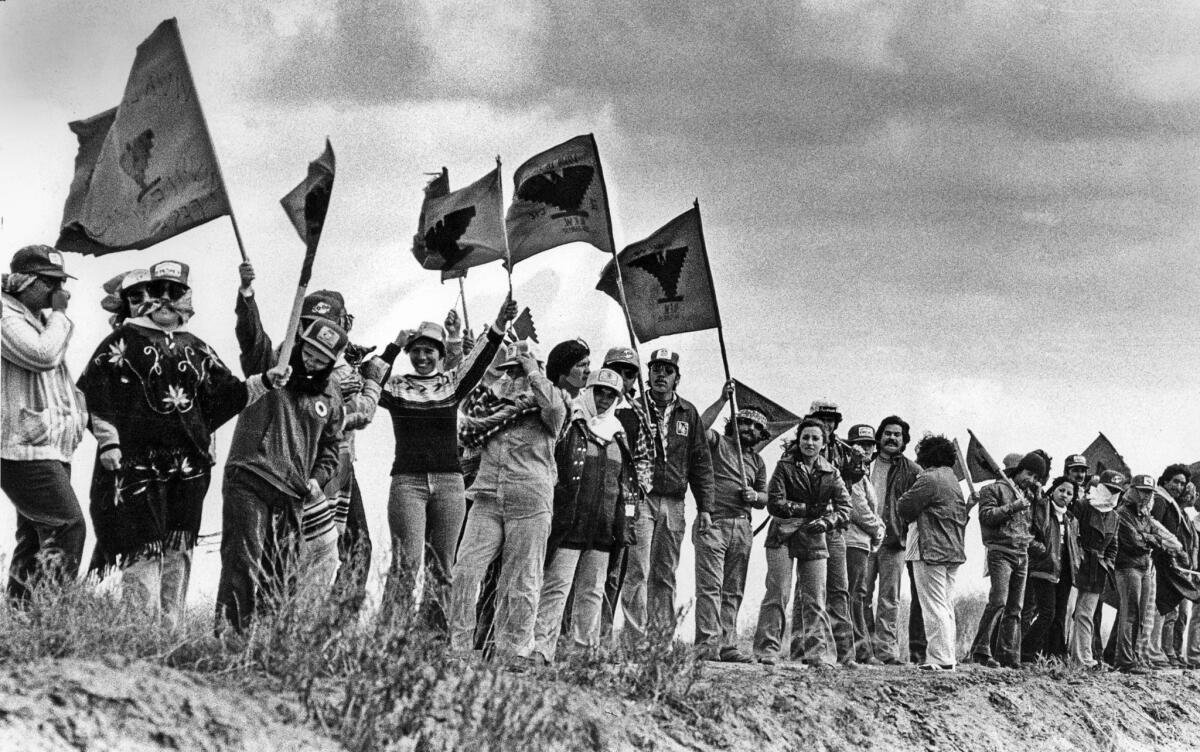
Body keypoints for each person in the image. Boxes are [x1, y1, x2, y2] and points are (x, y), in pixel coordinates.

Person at [78, 261, 289, 625]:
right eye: (158, 290)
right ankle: (140, 636)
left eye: (174, 292)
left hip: (188, 471)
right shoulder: (120, 342)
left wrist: (266, 381)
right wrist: (109, 442)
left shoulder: (198, 348)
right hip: (135, 466)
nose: (164, 299)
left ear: (187, 298)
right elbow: (93, 395)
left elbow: (230, 395)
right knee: (143, 550)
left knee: (178, 552)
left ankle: (169, 636)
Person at [231, 273, 387, 613]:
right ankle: (301, 620)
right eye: (309, 325)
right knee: (307, 547)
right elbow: (360, 412)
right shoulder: (283, 358)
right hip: (297, 464)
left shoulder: (342, 364)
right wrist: (373, 382)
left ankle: (326, 627)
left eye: (326, 325)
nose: (314, 338)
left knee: (351, 545)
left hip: (334, 462)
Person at [377, 297, 513, 626]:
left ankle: (434, 641)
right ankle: (388, 640)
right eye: (417, 351)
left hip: (450, 484)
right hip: (408, 484)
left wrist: (498, 324)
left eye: (430, 351)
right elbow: (366, 382)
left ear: (440, 355)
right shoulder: (396, 387)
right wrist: (393, 347)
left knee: (443, 568)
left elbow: (477, 362)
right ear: (410, 355)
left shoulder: (451, 385)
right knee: (406, 565)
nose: (423, 357)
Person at [215, 302, 349, 631]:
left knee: (281, 572)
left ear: (331, 363)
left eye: (322, 359)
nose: (312, 361)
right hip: (251, 474)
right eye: (310, 351)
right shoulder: (275, 360)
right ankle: (230, 638)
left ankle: (268, 645)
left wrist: (318, 479)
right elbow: (251, 336)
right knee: (243, 559)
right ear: (301, 342)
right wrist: (247, 296)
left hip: (293, 491)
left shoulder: (331, 394)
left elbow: (332, 445)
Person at [449, 339, 567, 659]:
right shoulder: (492, 405)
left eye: (518, 370)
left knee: (522, 578)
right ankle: (459, 646)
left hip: (529, 497)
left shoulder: (549, 402)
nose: (513, 376)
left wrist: (533, 372)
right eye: (509, 370)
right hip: (488, 495)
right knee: (465, 571)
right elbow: (468, 431)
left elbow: (556, 411)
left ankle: (513, 650)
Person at [532, 369, 638, 662]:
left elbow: (626, 485)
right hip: (570, 524)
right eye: (599, 392)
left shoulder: (618, 433)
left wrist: (625, 525)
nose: (604, 399)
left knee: (592, 591)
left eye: (611, 394)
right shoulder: (570, 423)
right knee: (557, 586)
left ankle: (583, 654)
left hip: (603, 529)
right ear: (588, 391)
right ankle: (541, 648)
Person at [1, 245, 87, 603]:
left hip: (43, 446)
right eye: (50, 283)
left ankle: (22, 618)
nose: (57, 292)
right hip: (22, 446)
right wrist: (62, 315)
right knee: (67, 526)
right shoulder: (6, 316)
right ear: (27, 282)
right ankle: (49, 613)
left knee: (36, 538)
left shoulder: (32, 316)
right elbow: (43, 355)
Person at [620, 348, 714, 642]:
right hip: (640, 497)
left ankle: (660, 643)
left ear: (677, 378)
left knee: (665, 571)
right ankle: (635, 641)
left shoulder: (689, 413)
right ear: (647, 375)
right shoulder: (632, 408)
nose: (661, 374)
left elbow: (700, 461)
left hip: (674, 501)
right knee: (637, 568)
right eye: (656, 369)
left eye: (668, 370)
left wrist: (706, 508)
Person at [752, 418, 852, 666]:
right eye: (805, 437)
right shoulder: (784, 466)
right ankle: (767, 650)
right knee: (778, 592)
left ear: (823, 443)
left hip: (815, 536)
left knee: (815, 596)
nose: (809, 442)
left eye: (815, 438)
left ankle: (818, 654)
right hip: (782, 535)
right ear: (799, 439)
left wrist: (827, 523)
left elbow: (845, 508)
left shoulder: (831, 472)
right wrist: (808, 510)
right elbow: (775, 502)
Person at [692, 388, 769, 663]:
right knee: (710, 586)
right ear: (733, 423)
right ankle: (706, 645)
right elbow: (698, 428)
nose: (749, 428)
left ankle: (727, 645)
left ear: (762, 435)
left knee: (733, 589)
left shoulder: (758, 461)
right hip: (713, 522)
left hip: (742, 527)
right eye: (744, 422)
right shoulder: (717, 443)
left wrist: (755, 496)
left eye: (756, 426)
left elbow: (766, 497)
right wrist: (723, 399)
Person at [896, 434, 970, 671]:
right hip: (952, 549)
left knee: (933, 605)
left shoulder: (929, 478)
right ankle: (947, 656)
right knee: (945, 605)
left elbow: (904, 506)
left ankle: (939, 658)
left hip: (928, 547)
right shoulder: (952, 479)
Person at [596, 345, 652, 638]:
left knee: (616, 568)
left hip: (621, 501)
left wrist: (635, 491)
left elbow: (644, 456)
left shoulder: (637, 412)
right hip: (587, 495)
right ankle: (570, 636)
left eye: (629, 373)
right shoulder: (588, 400)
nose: (623, 377)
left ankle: (603, 637)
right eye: (616, 370)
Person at [969, 451, 1042, 668]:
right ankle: (980, 650)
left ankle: (1009, 656)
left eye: (1036, 477)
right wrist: (1014, 507)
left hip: (1022, 553)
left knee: (1015, 608)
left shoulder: (1028, 495)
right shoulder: (991, 489)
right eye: (1029, 474)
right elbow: (986, 517)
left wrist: (1034, 501)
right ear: (1017, 471)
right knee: (998, 601)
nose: (1032, 480)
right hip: (1000, 551)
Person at [865, 415, 923, 665]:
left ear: (904, 440)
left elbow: (921, 503)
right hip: (863, 538)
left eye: (897, 434)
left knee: (889, 597)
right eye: (887, 433)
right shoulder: (864, 463)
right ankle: (862, 649)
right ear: (879, 437)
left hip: (894, 541)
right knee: (860, 594)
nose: (891, 438)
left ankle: (886, 651)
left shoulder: (912, 470)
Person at [1113, 474, 1182, 674]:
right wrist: (1150, 540)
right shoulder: (1123, 512)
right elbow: (1133, 542)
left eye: (1149, 493)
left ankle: (1133, 657)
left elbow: (1160, 539)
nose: (1145, 496)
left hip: (1143, 567)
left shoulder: (1144, 515)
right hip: (1128, 567)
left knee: (1141, 615)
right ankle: (1125, 660)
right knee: (1130, 614)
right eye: (1142, 491)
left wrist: (1149, 538)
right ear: (1132, 490)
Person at [1067, 470, 1121, 668]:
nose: (1112, 493)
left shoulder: (1114, 516)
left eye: (1116, 490)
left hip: (1097, 568)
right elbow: (1071, 532)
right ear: (1100, 487)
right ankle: (1059, 653)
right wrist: (1076, 556)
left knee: (1086, 613)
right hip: (1076, 563)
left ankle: (1083, 658)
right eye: (1109, 488)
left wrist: (1107, 563)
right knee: (1067, 610)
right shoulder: (1083, 506)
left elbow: (1113, 545)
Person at [842, 424, 885, 664]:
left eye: (869, 445)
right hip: (852, 540)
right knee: (854, 595)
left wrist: (877, 529)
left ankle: (860, 649)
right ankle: (859, 650)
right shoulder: (853, 473)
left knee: (857, 594)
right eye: (860, 444)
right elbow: (857, 509)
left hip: (862, 541)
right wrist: (878, 529)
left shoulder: (865, 475)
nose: (865, 449)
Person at [1149, 465, 1199, 667]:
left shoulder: (1173, 507)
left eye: (1182, 484)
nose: (1179, 488)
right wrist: (1173, 549)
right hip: (1162, 562)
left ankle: (1165, 651)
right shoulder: (1161, 501)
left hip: (1171, 563)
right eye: (1176, 482)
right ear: (1166, 481)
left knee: (1170, 609)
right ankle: (1156, 652)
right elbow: (1155, 527)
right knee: (1163, 608)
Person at [1020, 476, 1075, 661]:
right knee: (1046, 613)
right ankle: (1025, 652)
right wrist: (1041, 551)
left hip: (1062, 570)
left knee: (1057, 615)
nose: (1064, 495)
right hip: (1043, 566)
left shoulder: (1069, 518)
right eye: (1061, 490)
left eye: (1069, 493)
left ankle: (1050, 655)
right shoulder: (1044, 508)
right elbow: (1031, 531)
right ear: (1053, 490)